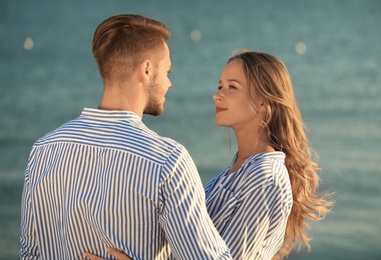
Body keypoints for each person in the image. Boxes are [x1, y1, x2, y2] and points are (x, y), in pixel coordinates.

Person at [20, 14, 233, 259]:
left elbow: (30, 253)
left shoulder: (43, 150)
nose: (169, 84)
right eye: (168, 71)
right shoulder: (167, 162)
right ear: (146, 69)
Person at [86, 50, 333, 260]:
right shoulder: (237, 170)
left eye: (232, 88)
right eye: (220, 86)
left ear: (262, 103)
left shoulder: (265, 176)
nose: (217, 95)